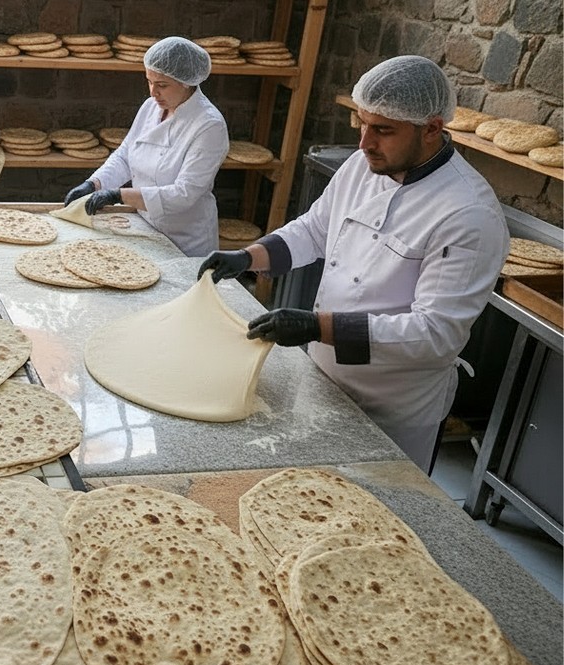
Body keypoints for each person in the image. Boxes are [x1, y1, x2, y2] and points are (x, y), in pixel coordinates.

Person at [198, 55, 509, 471]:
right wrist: (249, 256)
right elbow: (314, 229)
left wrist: (317, 325)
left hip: (393, 409)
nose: (365, 142)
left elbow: (434, 334)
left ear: (432, 128)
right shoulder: (366, 164)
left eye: (382, 130)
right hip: (324, 380)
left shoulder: (469, 215)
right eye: (361, 124)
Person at [63, 36, 229, 256]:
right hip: (146, 228)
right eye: (149, 81)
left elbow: (184, 194)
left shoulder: (209, 126)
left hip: (185, 240)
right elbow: (125, 155)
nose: (153, 92)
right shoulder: (151, 107)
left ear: (186, 82)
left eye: (162, 85)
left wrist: (118, 195)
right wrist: (94, 184)